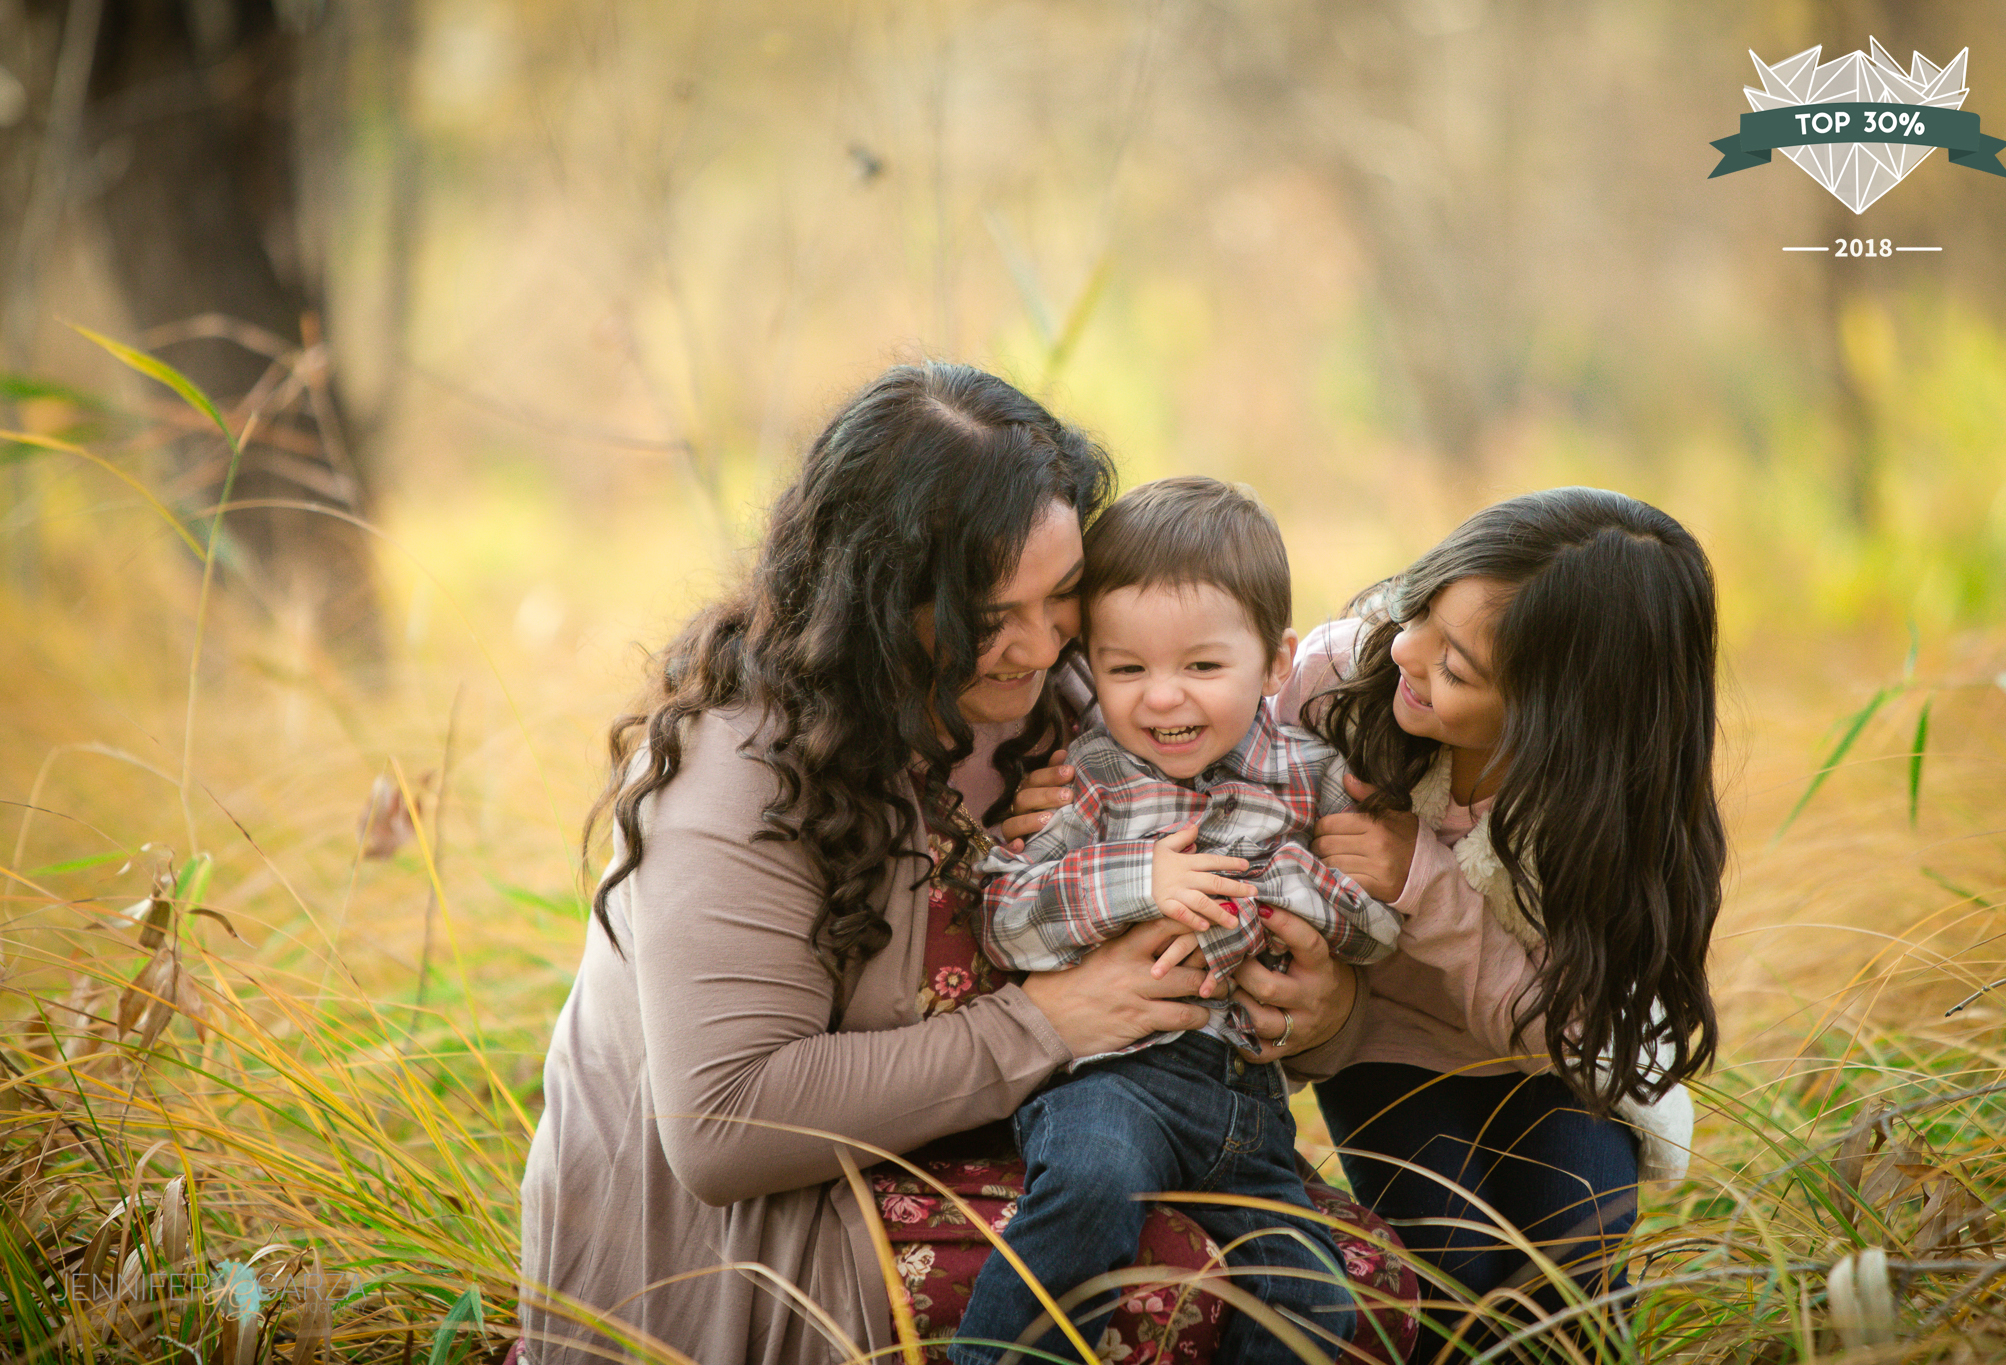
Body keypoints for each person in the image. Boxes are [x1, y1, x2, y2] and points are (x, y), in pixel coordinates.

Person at [517, 363, 1404, 1365]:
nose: (1035, 647)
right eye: (986, 616)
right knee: (1159, 1293)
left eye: (1061, 595)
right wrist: (1046, 1023)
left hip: (1034, 1134)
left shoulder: (1092, 701)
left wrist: (1319, 1014)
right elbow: (721, 1126)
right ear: (878, 600)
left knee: (1357, 1284)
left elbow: (1255, 897)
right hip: (775, 1227)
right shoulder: (743, 770)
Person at [950, 478, 1403, 1365]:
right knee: (1091, 1187)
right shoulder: (1089, 776)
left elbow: (1376, 931)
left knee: (1310, 1300)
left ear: (1273, 664)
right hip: (1113, 1082)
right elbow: (1005, 920)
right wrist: (1138, 880)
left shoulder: (1313, 779)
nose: (1162, 699)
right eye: (1127, 670)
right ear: (1094, 665)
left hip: (1250, 1106)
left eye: (1201, 667)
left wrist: (1304, 890)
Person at [1281, 487, 1724, 1360]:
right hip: (1385, 1032)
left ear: (1563, 721)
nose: (1408, 652)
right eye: (1422, 612)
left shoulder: (1601, 814)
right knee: (1455, 1264)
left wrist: (1424, 881)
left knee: (1576, 1250)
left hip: (1545, 1047)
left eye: (1458, 668)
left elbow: (1567, 1023)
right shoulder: (1341, 679)